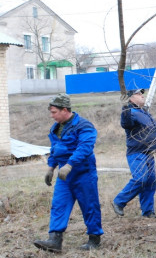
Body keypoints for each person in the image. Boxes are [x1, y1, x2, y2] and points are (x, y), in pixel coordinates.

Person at [33, 93, 103, 252]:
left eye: (54, 112)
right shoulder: (56, 128)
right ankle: (55, 241)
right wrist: (51, 167)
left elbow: (85, 148)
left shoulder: (84, 126)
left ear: (64, 110)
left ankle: (94, 239)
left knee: (89, 205)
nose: (52, 116)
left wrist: (70, 164)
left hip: (83, 172)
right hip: (64, 175)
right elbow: (55, 149)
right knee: (59, 204)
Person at [112, 88, 156, 218]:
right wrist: (125, 109)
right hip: (137, 153)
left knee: (150, 182)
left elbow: (148, 131)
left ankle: (148, 212)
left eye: (142, 93)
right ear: (130, 98)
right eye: (138, 94)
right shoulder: (129, 112)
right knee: (141, 178)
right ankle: (119, 202)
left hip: (149, 153)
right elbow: (126, 123)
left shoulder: (144, 112)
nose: (142, 95)